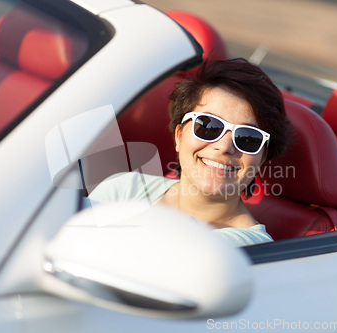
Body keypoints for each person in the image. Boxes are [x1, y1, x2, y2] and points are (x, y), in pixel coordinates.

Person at [86, 58, 293, 246]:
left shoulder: (251, 250)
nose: (224, 146)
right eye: (208, 126)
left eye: (248, 138)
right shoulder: (125, 189)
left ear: (263, 157)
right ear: (179, 135)